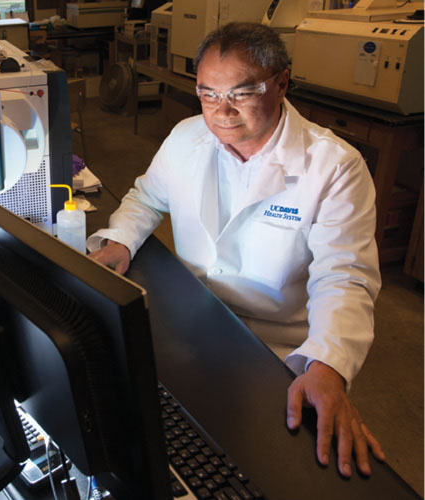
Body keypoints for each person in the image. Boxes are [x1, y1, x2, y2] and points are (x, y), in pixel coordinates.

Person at [87, 22, 385, 478]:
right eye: (208, 94)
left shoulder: (334, 167)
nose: (221, 111)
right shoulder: (187, 137)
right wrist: (120, 240)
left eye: (241, 93)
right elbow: (147, 197)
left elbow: (344, 276)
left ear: (281, 83)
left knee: (265, 466)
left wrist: (329, 365)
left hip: (274, 349)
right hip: (189, 322)